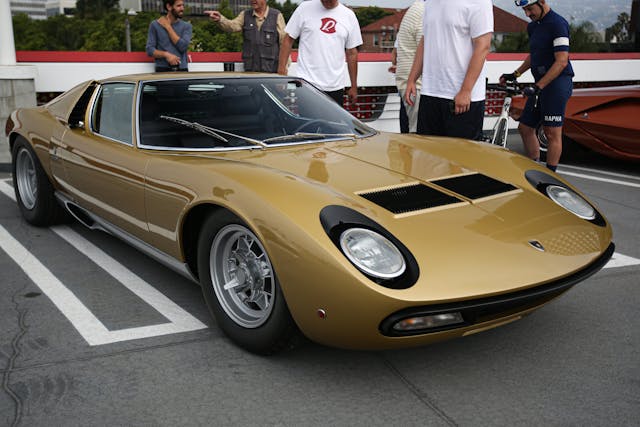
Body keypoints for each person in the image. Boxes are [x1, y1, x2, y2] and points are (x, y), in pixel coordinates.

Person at [501, 0, 574, 172]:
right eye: (524, 10)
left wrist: (538, 86)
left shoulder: (558, 24)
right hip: (540, 86)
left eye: (530, 9)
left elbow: (562, 61)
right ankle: (536, 169)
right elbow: (535, 55)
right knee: (525, 128)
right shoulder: (533, 26)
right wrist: (515, 73)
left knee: (551, 133)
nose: (527, 14)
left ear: (541, 2)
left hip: (557, 84)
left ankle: (550, 176)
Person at [405, 0, 493, 140]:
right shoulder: (430, 3)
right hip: (430, 93)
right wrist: (411, 79)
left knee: (462, 157)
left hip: (462, 97)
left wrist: (465, 90)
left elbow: (483, 46)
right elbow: (425, 40)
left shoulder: (479, 2)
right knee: (428, 155)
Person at [277, 0, 362, 106]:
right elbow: (288, 39)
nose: (326, 2)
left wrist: (354, 86)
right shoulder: (304, 8)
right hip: (306, 85)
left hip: (335, 87)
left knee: (333, 122)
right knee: (308, 122)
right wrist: (281, 73)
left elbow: (352, 52)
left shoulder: (349, 16)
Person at [204, 0, 286, 73]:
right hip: (251, 71)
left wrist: (283, 68)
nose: (252, 1)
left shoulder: (277, 15)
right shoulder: (245, 14)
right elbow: (233, 26)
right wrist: (220, 19)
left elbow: (284, 43)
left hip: (272, 71)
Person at [393, 0, 424, 133]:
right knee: (419, 141)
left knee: (409, 138)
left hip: (409, 86)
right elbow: (425, 52)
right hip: (417, 87)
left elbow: (394, 55)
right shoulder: (424, 12)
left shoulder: (416, 9)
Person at [146, 0, 192, 72]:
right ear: (169, 7)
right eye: (179, 6)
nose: (182, 8)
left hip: (181, 69)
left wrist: (168, 27)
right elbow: (149, 50)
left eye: (183, 5)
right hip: (162, 70)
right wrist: (166, 55)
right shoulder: (155, 25)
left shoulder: (187, 26)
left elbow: (183, 47)